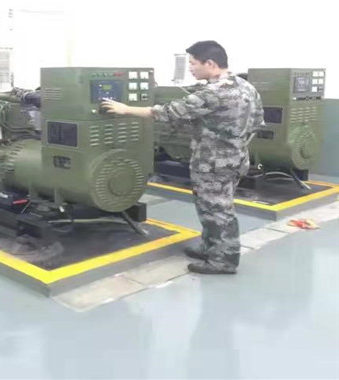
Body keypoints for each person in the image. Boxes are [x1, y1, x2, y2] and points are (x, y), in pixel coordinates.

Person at [101, 41, 264, 274]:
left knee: (217, 210)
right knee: (212, 207)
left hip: (213, 164)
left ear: (210, 63)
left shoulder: (215, 92)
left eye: (193, 63)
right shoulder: (246, 86)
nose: (190, 68)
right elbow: (257, 122)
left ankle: (224, 261)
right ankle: (211, 248)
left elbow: (169, 112)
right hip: (236, 159)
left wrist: (126, 109)